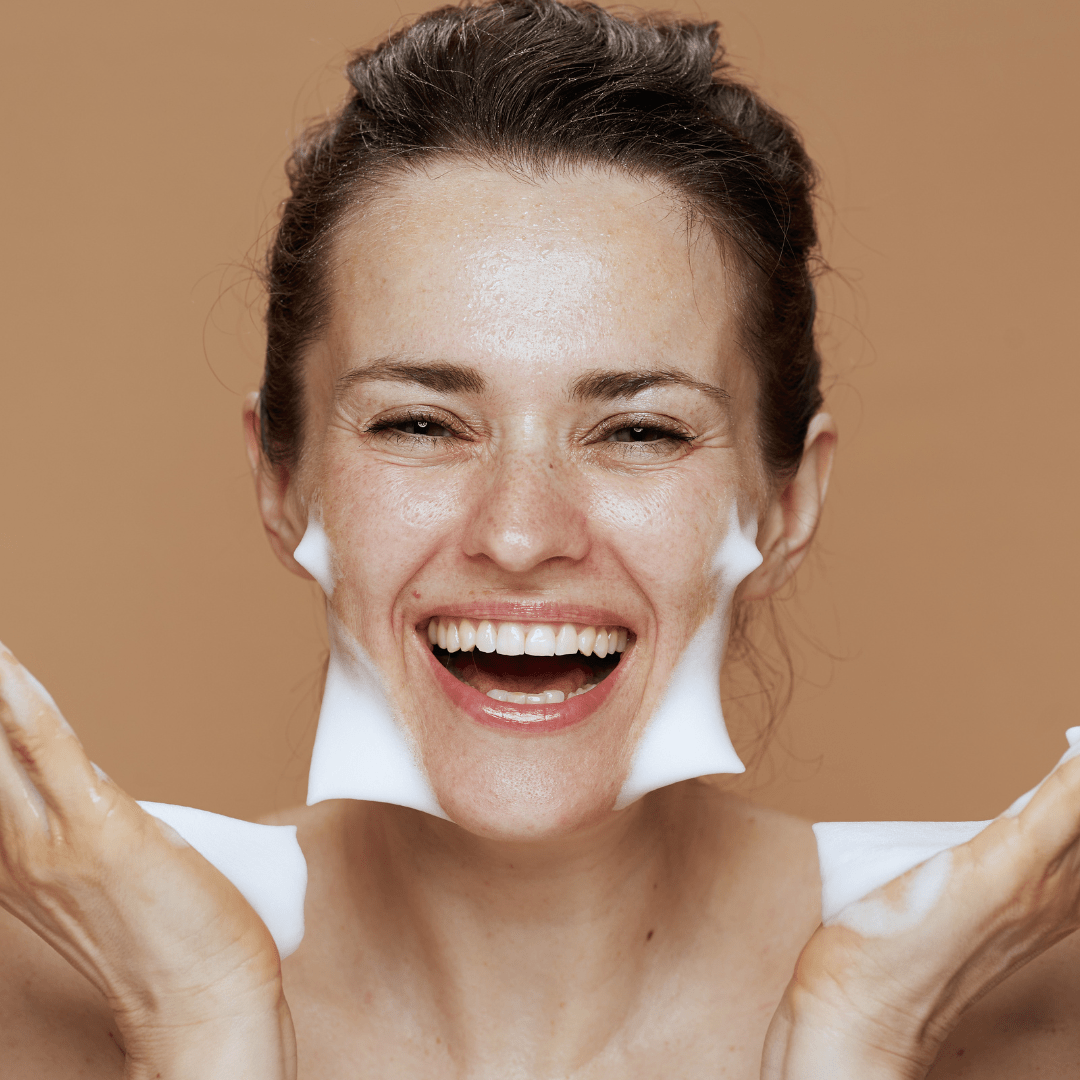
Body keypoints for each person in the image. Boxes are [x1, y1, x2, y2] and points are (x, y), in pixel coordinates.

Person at [2, 2, 1079, 1076]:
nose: (519, 534)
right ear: (284, 481)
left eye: (641, 430)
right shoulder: (37, 997)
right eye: (420, 423)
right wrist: (196, 1022)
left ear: (784, 506)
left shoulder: (1040, 1006)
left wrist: (864, 1035)